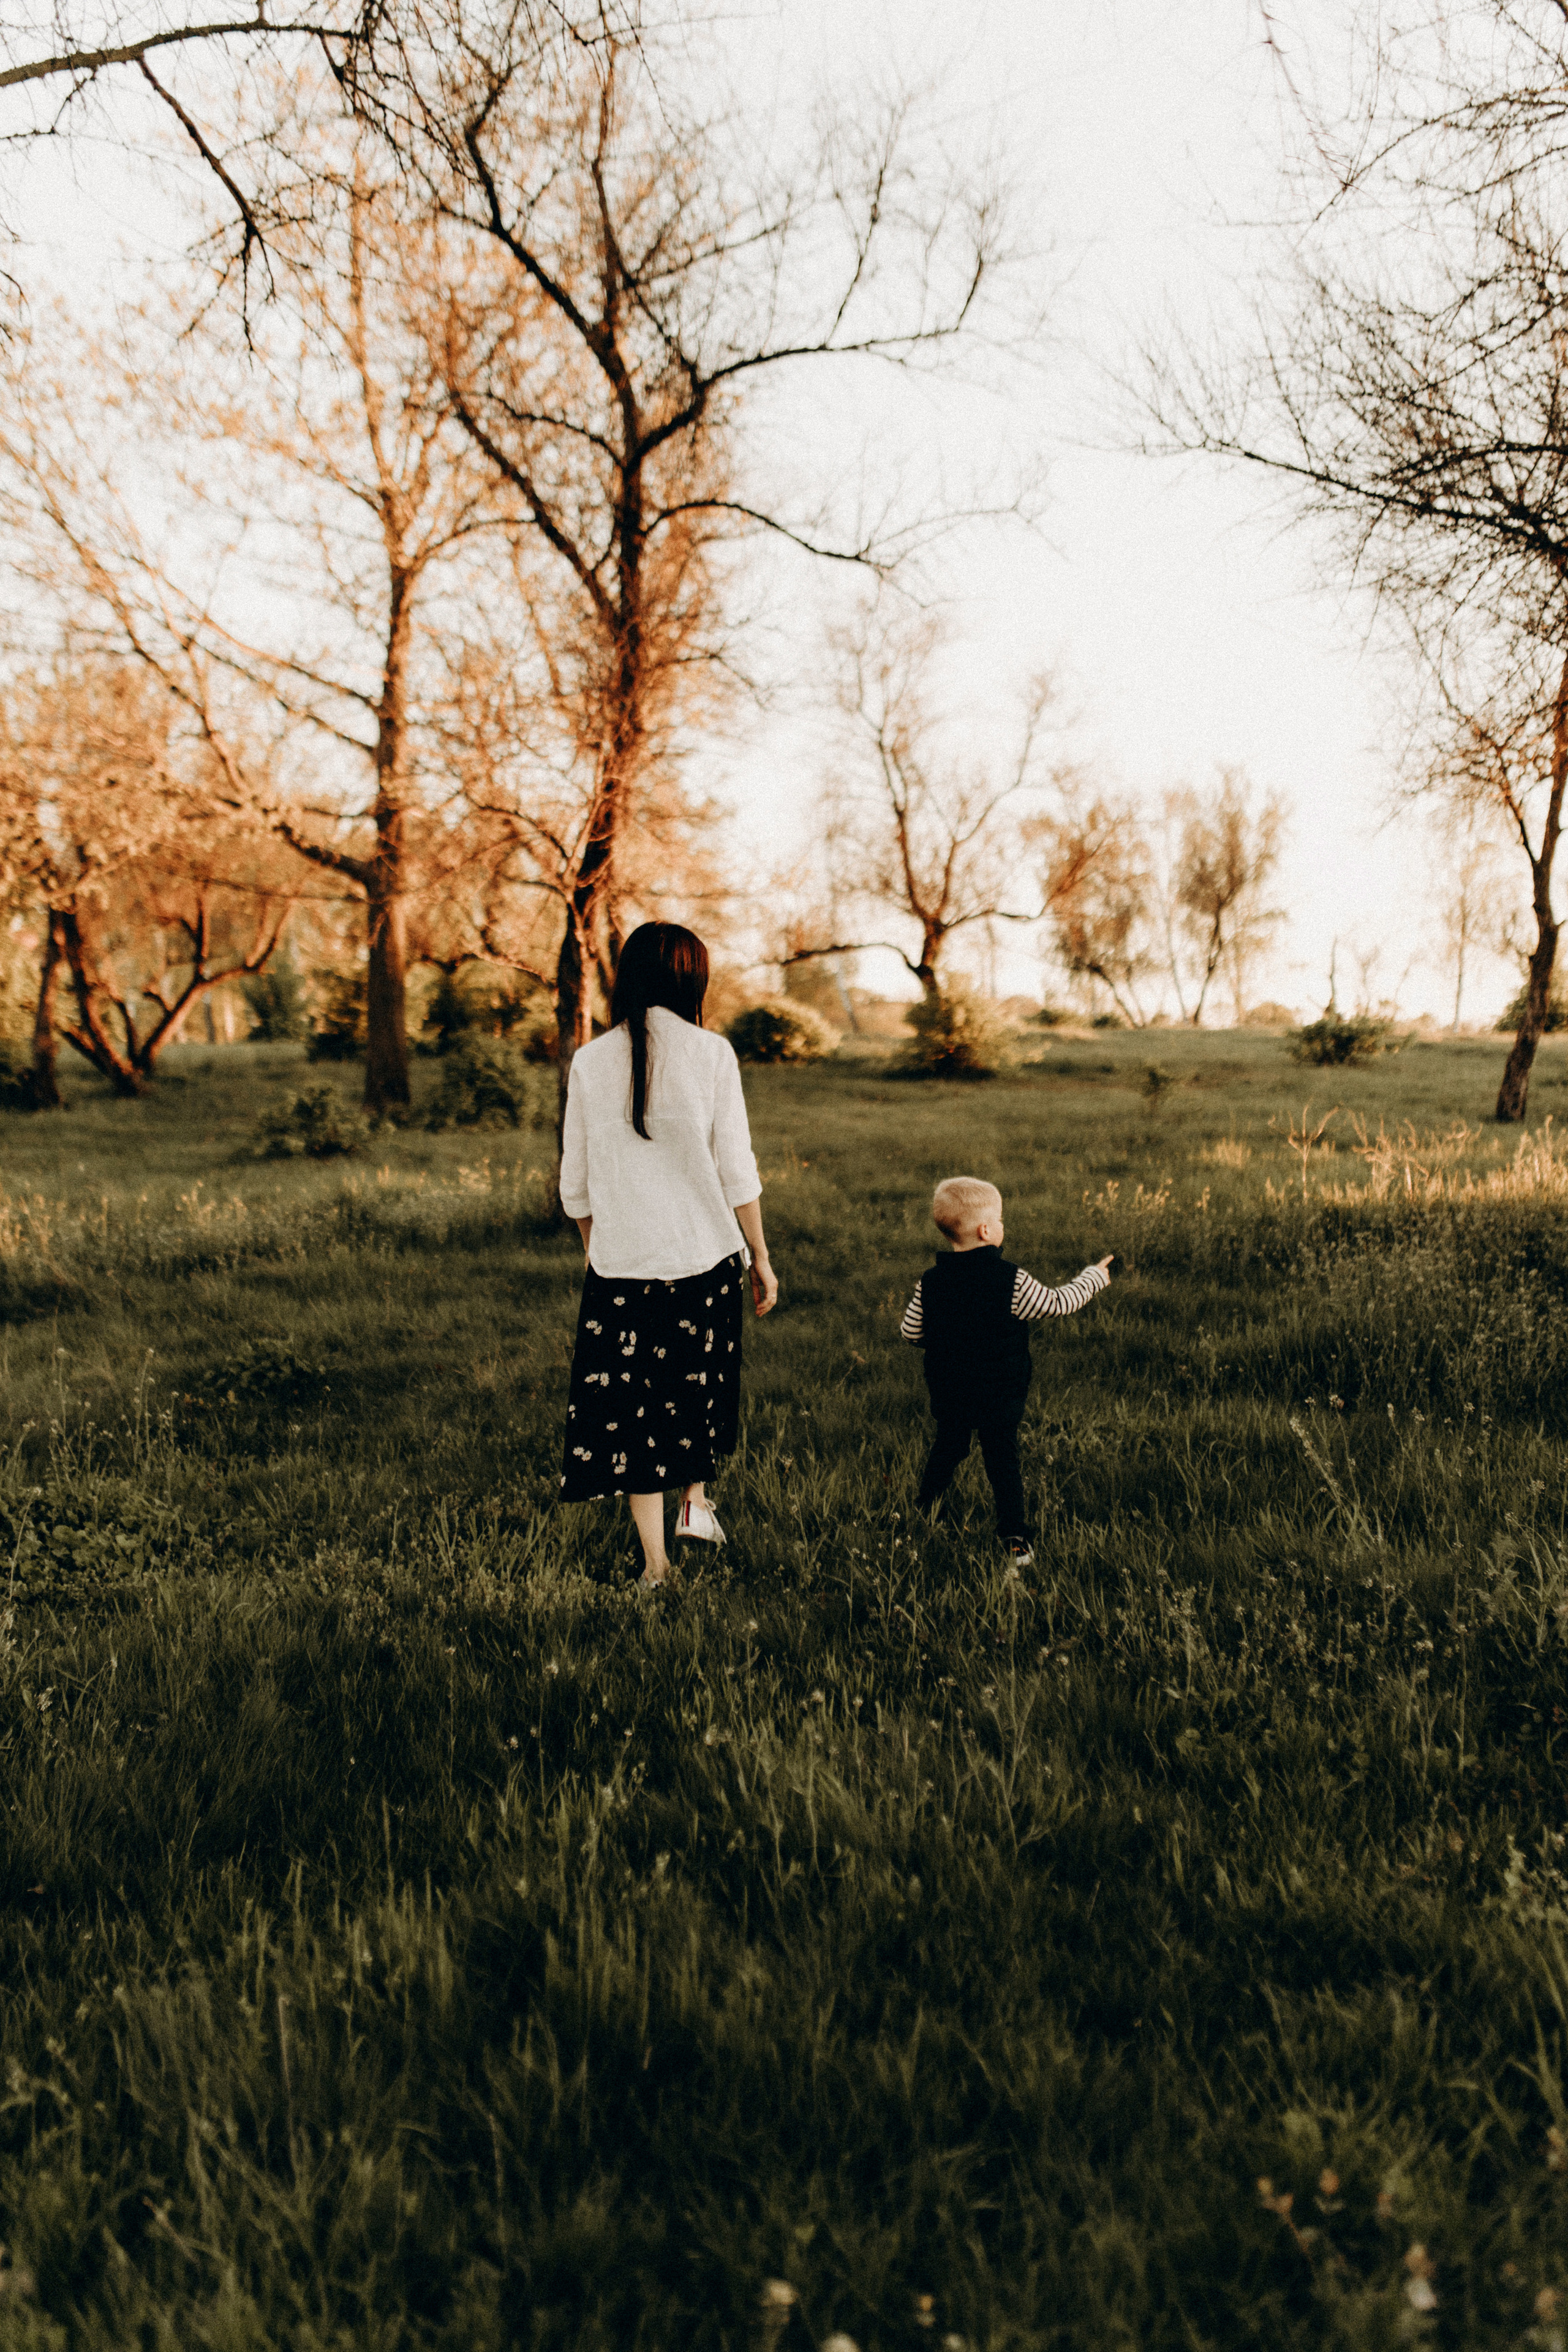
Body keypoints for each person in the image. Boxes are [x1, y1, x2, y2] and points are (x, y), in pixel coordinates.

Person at [557, 921, 777, 1590]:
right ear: (692, 979)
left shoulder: (590, 1060)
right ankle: (696, 1500)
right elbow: (735, 1170)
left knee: (631, 1418)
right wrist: (760, 1257)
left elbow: (576, 1184)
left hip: (621, 1269)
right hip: (705, 1261)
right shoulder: (711, 1053)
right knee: (696, 1390)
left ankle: (657, 1564)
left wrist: (601, 1252)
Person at [900, 1175, 1112, 1567]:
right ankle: (1015, 1539)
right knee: (1002, 1458)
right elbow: (1057, 1303)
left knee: (949, 1446)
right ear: (985, 1230)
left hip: (950, 1391)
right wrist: (1093, 1278)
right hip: (999, 1392)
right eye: (999, 1220)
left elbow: (911, 1332)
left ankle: (924, 1508)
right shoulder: (1010, 1280)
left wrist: (949, 1342)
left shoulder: (930, 1281)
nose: (1003, 1227)